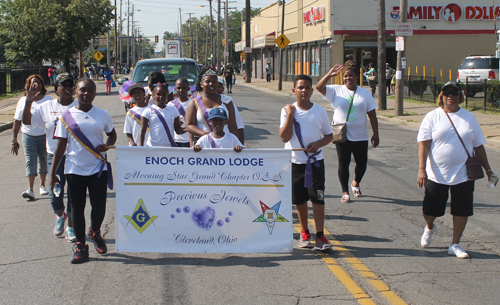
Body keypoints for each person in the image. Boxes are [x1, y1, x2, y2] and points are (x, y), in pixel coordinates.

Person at [417, 81, 497, 259]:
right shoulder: (432, 116)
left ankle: (455, 244)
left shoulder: (469, 118)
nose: (450, 96)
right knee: (430, 210)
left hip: (463, 173)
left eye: (454, 93)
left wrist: (488, 170)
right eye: (446, 93)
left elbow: (478, 146)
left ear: (460, 96)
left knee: (462, 209)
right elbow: (424, 143)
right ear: (441, 96)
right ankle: (430, 226)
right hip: (436, 173)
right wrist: (422, 169)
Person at [49, 78, 117, 264]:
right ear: (75, 93)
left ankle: (95, 232)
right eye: (82, 90)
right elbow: (60, 145)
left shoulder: (102, 114)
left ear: (95, 93)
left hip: (98, 167)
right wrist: (53, 171)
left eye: (90, 90)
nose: (86, 93)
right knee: (77, 209)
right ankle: (80, 245)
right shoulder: (66, 116)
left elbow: (112, 133)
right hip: (74, 169)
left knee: (99, 206)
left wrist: (108, 145)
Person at [22, 73, 78, 241]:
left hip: (76, 157)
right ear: (57, 89)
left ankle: (71, 227)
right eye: (63, 85)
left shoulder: (80, 106)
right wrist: (28, 101)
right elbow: (26, 121)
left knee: (75, 193)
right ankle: (60, 216)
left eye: (70, 85)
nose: (67, 88)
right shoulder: (46, 107)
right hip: (54, 156)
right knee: (56, 194)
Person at [280, 75, 334, 250]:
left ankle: (320, 235)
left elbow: (329, 135)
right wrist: (290, 116)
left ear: (312, 90)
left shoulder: (319, 111)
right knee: (300, 200)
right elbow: (284, 137)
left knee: (317, 198)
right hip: (295, 162)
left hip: (315, 162)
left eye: (307, 87)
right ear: (294, 90)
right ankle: (305, 232)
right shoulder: (287, 110)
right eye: (300, 87)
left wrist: (318, 144)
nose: (304, 90)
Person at [316, 63, 380, 203]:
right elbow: (319, 87)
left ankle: (355, 183)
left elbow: (372, 115)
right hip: (342, 135)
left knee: (362, 163)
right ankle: (345, 191)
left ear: (357, 77)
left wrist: (375, 134)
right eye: (345, 76)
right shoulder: (336, 90)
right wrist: (329, 74)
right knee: (343, 163)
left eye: (350, 75)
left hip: (360, 135)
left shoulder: (365, 93)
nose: (347, 78)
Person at [12, 75, 53, 200]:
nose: (36, 85)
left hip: (44, 135)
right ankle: (30, 189)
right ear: (28, 85)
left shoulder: (48, 100)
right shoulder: (23, 100)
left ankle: (42, 185)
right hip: (28, 135)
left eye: (38, 83)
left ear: (42, 85)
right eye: (33, 83)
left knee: (44, 160)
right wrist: (14, 139)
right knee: (30, 161)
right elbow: (17, 121)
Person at [185, 68, 238, 146]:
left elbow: (232, 126)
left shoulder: (226, 101)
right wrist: (208, 136)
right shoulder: (194, 103)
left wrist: (238, 144)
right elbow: (189, 125)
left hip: (225, 143)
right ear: (201, 84)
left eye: (214, 82)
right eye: (207, 82)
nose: (211, 84)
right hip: (202, 144)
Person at [217, 79, 245, 144]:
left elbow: (238, 126)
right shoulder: (198, 102)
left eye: (219, 87)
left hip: (226, 142)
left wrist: (240, 145)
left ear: (223, 89)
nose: (217, 89)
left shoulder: (228, 102)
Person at [167, 78, 191, 147]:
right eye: (178, 88)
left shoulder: (193, 103)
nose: (181, 90)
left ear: (188, 89)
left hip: (189, 139)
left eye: (184, 88)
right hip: (175, 139)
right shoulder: (170, 105)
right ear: (175, 89)